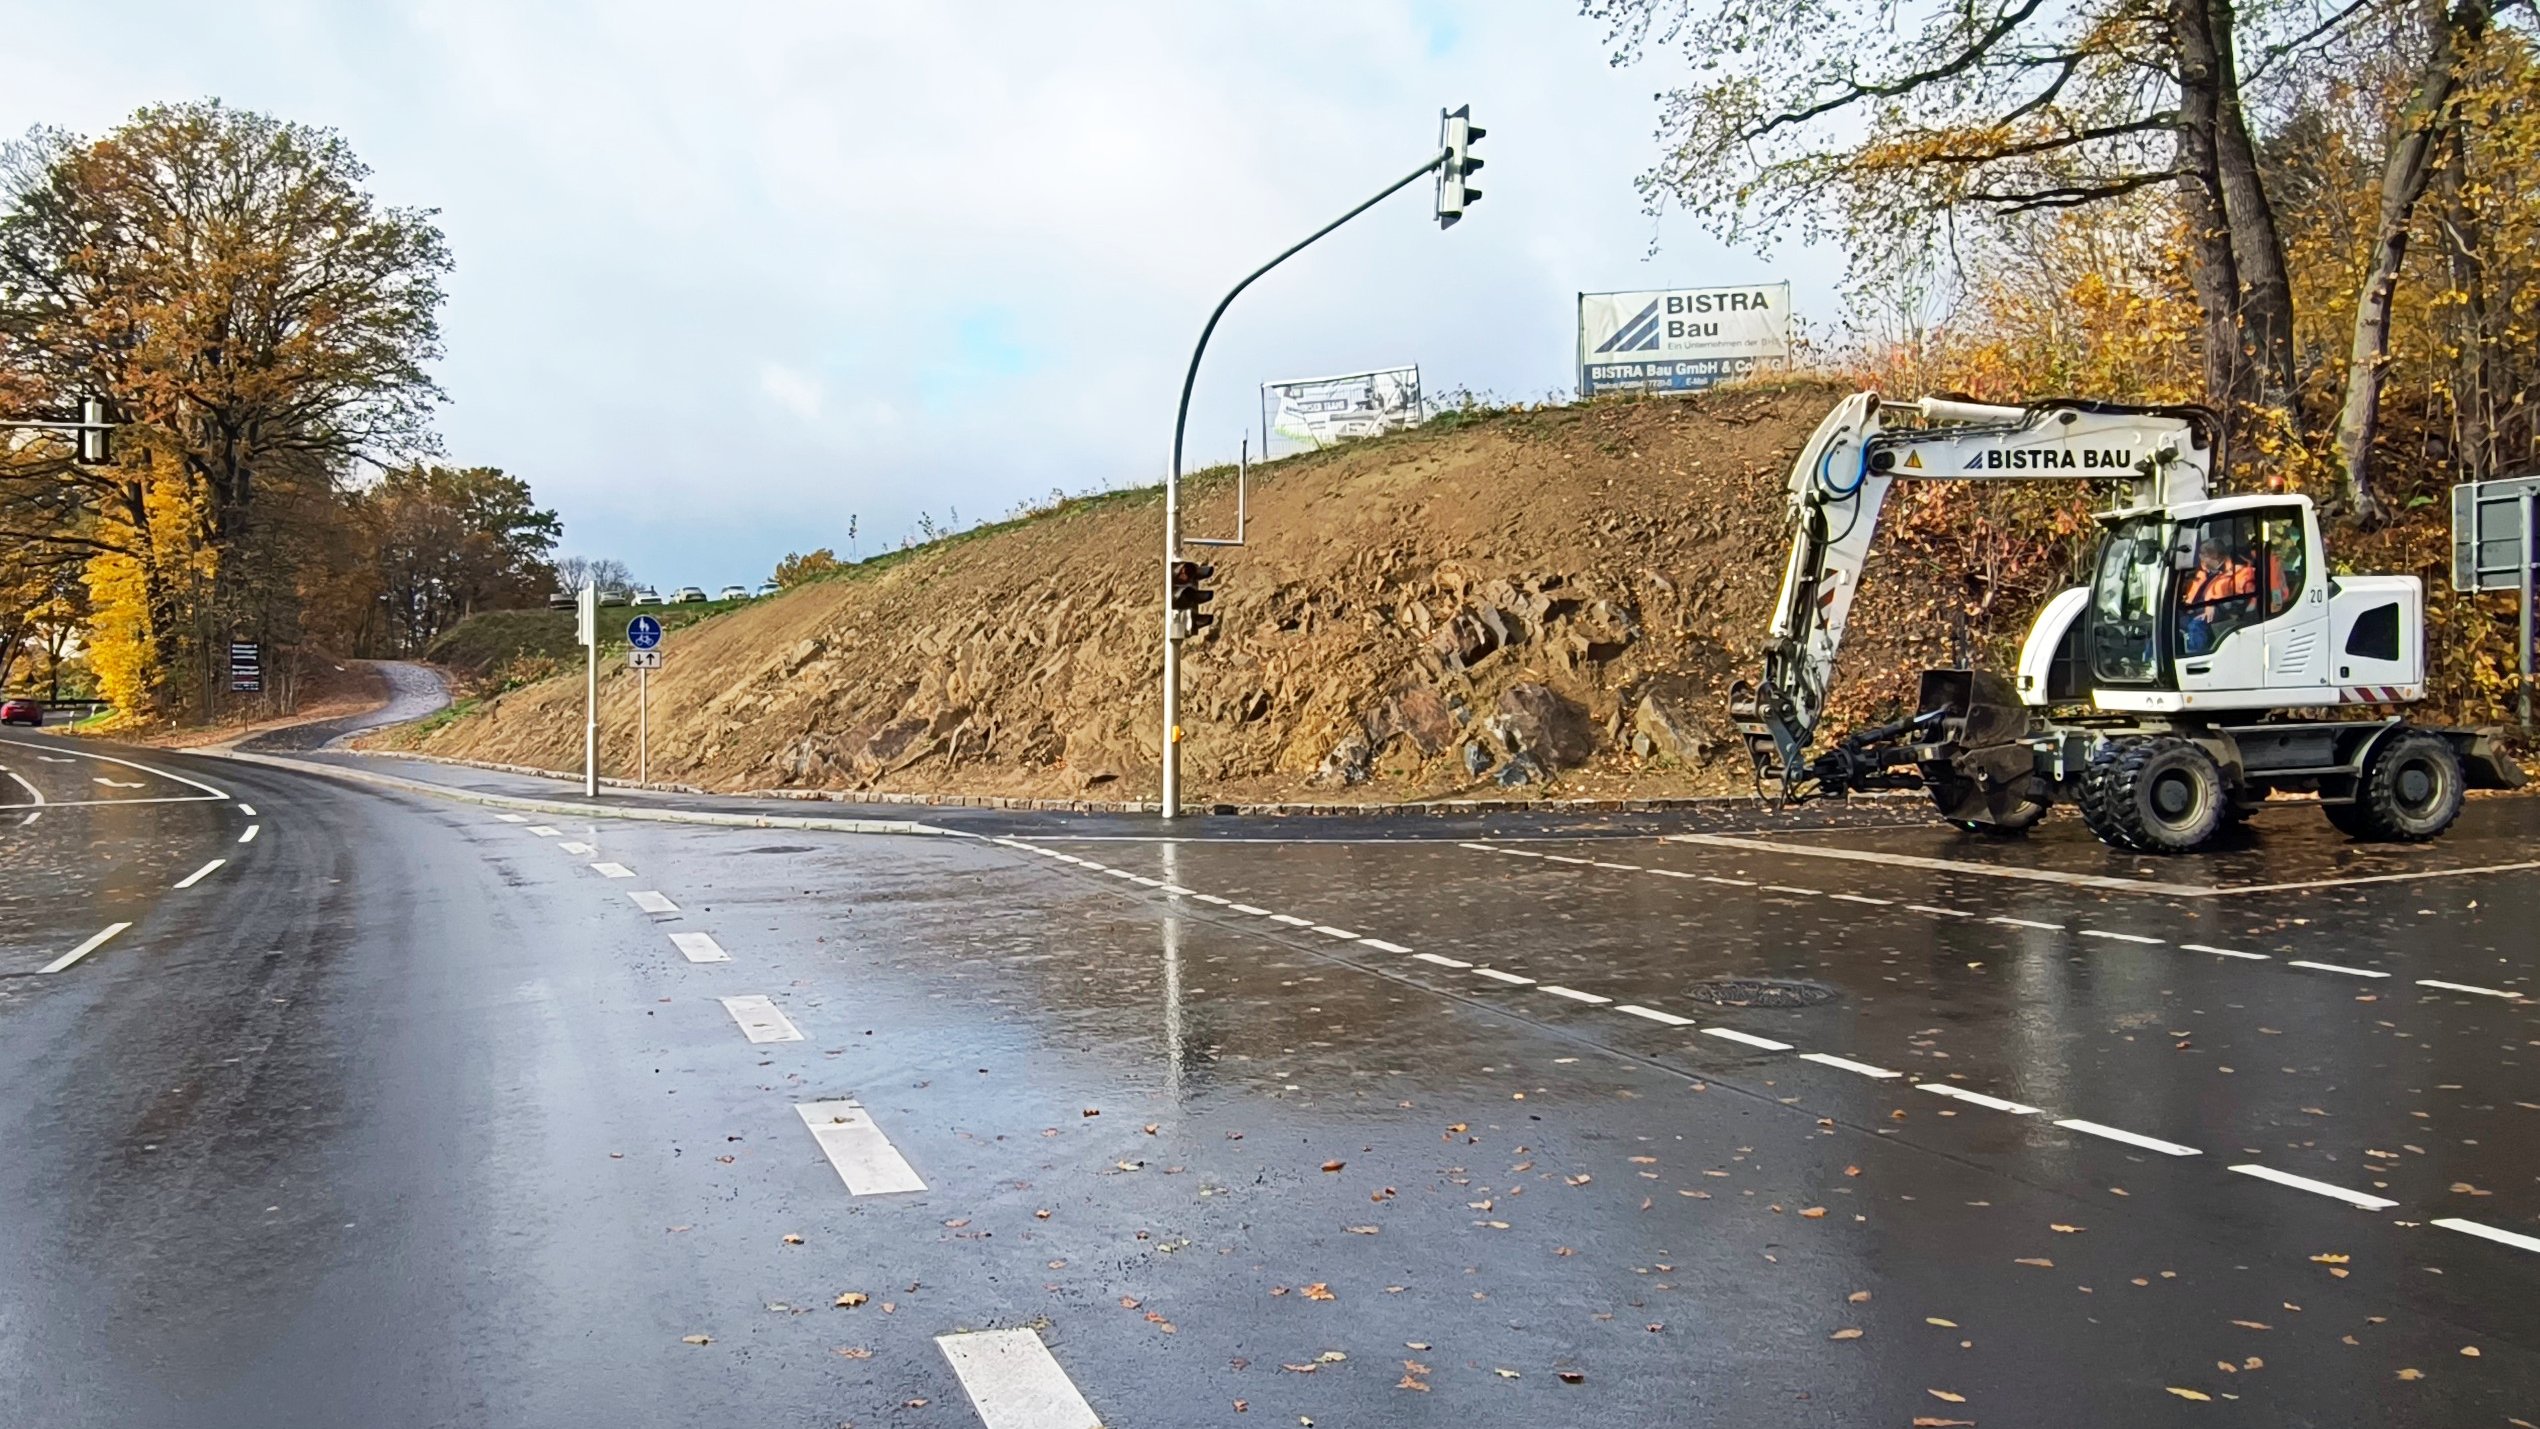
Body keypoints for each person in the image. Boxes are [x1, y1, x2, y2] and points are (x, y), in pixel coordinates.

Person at [2180, 537, 2255, 655]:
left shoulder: (2240, 573)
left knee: (2196, 625)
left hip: (2223, 612)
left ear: (2214, 557)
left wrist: (2214, 605)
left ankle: (2196, 657)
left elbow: (2243, 601)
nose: (2202, 562)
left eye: (2204, 558)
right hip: (2199, 608)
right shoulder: (2211, 572)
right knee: (2169, 621)